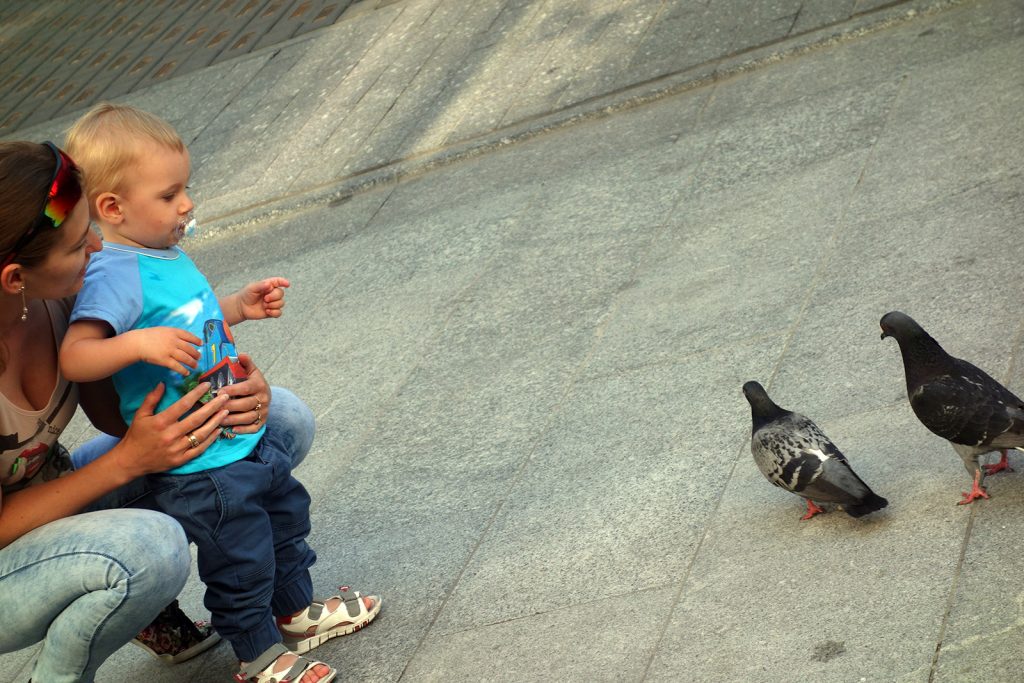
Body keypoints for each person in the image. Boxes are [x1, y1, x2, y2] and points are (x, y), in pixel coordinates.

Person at [60, 103, 381, 683]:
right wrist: (137, 345)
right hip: (196, 459)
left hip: (234, 433)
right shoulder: (114, 273)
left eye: (185, 188)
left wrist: (237, 306)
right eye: (169, 194)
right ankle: (257, 655)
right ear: (112, 208)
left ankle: (296, 613)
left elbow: (193, 320)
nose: (187, 204)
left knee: (284, 518)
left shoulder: (164, 253)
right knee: (240, 554)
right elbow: (77, 355)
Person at [0, 139, 232, 683]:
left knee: (274, 420)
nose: (99, 246)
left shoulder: (57, 295)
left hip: (51, 500)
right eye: (79, 243)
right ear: (14, 277)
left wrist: (228, 387)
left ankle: (140, 611)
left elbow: (113, 416)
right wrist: (128, 461)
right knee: (151, 549)